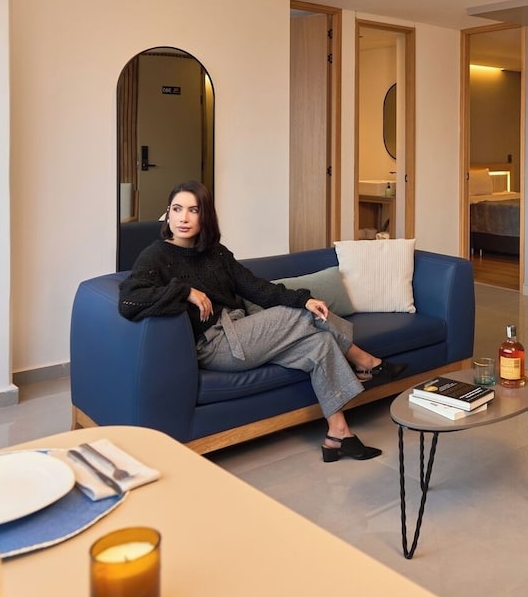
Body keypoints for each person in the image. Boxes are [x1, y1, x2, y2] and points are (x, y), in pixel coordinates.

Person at [119, 181, 405, 462]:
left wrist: (303, 298)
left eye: (193, 210)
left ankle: (338, 435)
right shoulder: (156, 255)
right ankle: (366, 362)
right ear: (168, 213)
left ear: (205, 216)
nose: (183, 218)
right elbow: (129, 300)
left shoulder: (216, 252)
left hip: (242, 331)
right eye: (177, 209)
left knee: (320, 343)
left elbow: (256, 288)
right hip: (216, 344)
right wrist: (184, 291)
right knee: (304, 314)